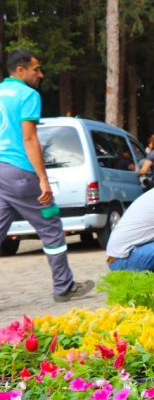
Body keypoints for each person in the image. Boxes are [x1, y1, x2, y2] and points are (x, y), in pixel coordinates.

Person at [0, 49, 95, 302]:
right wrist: (43, 178)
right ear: (20, 70)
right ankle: (64, 287)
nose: (40, 74)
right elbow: (29, 138)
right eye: (35, 69)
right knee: (51, 224)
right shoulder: (27, 95)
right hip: (20, 172)